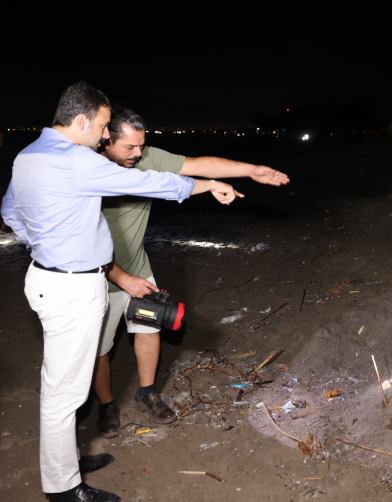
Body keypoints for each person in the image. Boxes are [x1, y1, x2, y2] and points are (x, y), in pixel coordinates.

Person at [0, 82, 241, 502]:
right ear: (81, 120)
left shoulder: (27, 156)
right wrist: (207, 185)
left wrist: (46, 244)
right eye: (104, 125)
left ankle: (66, 463)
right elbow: (150, 183)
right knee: (64, 394)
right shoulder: (75, 159)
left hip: (50, 278)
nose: (106, 136)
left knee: (67, 387)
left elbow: (9, 211)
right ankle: (63, 490)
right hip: (71, 287)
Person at [92, 106, 289, 437]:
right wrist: (120, 278)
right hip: (97, 275)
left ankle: (146, 393)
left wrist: (251, 169)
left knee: (148, 330)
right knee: (97, 348)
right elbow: (79, 244)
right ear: (104, 140)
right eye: (130, 147)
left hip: (138, 267)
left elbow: (199, 164)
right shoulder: (86, 171)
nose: (139, 154)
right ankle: (107, 404)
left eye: (142, 145)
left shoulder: (142, 157)